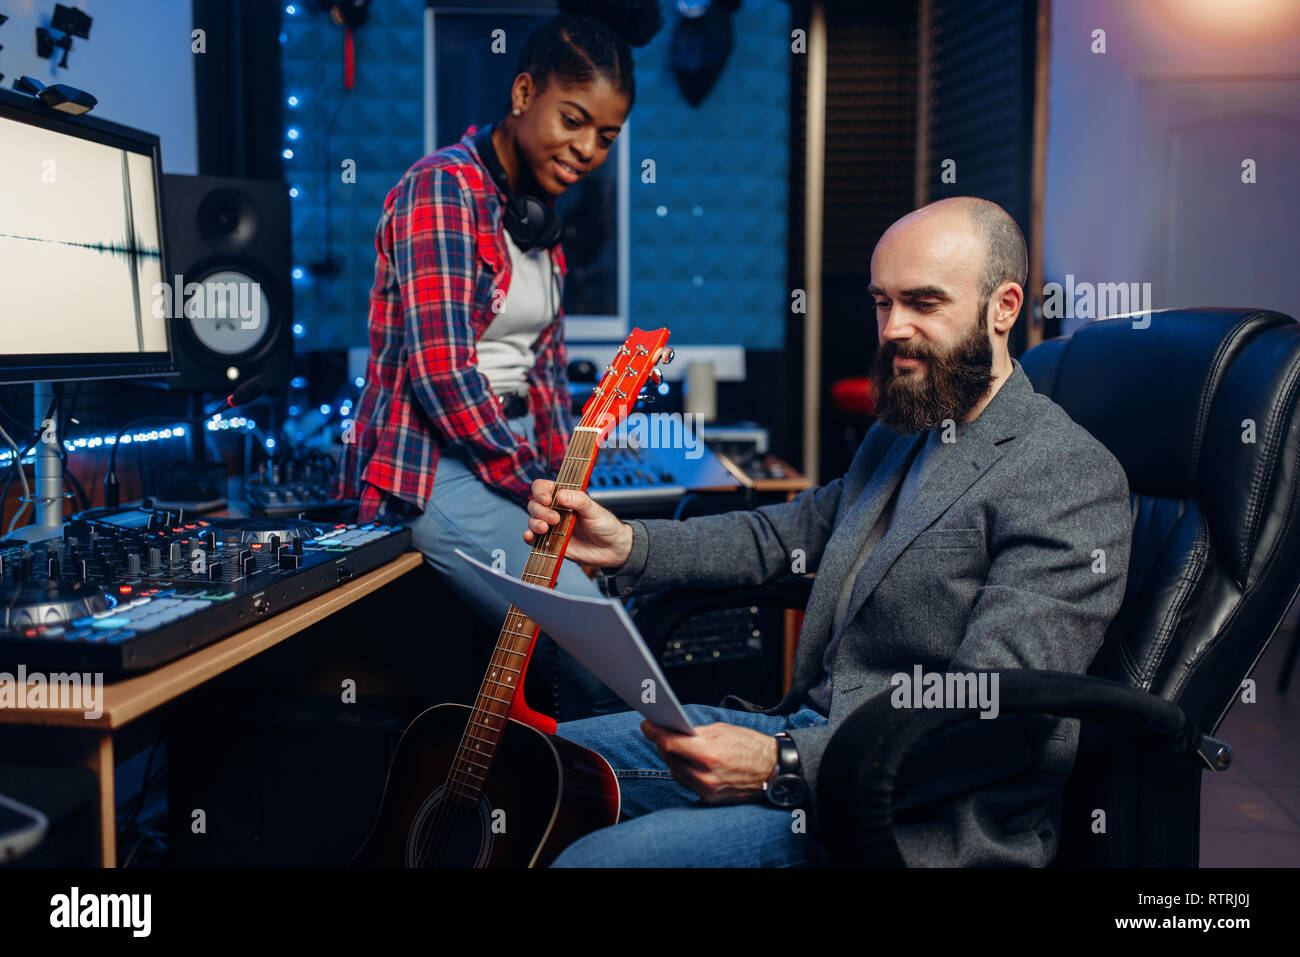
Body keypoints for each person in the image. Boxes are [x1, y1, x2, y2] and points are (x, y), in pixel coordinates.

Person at [524, 197, 1135, 866]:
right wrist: (630, 544)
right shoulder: (902, 432)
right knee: (532, 763)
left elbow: (994, 712)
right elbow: (781, 532)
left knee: (593, 863)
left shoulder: (1066, 473)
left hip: (913, 812)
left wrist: (779, 759)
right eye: (883, 302)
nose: (893, 328)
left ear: (1004, 307)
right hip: (808, 735)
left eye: (923, 303)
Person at [332, 1, 664, 721]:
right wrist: (531, 483)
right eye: (572, 120)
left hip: (510, 464)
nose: (587, 150)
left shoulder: (539, 218)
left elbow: (543, 373)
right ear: (522, 94)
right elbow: (443, 371)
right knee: (599, 650)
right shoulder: (441, 190)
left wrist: (565, 484)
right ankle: (610, 818)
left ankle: (579, 809)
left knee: (610, 616)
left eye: (606, 136)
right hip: (432, 473)